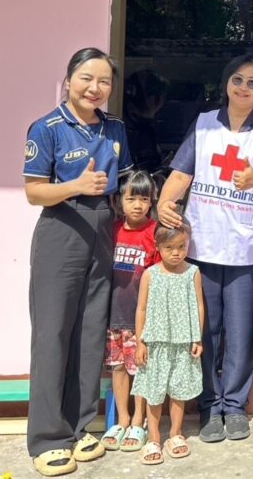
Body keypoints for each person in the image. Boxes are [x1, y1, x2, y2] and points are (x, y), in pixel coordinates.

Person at [157, 55, 253, 443]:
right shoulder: (204, 125)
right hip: (205, 244)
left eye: (252, 83)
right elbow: (182, 173)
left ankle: (235, 405)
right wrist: (164, 203)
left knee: (242, 330)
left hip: (247, 248)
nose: (243, 88)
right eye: (237, 80)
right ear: (226, 84)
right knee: (207, 330)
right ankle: (210, 406)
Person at [23, 47, 133, 477]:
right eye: (87, 78)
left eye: (104, 81)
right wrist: (75, 185)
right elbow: (33, 192)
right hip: (61, 229)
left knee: (90, 333)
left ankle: (82, 426)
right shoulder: (47, 127)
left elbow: (123, 182)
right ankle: (48, 438)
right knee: (53, 333)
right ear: (69, 79)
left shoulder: (115, 128)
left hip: (103, 229)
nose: (95, 88)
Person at [131, 221, 205, 465]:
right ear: (158, 246)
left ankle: (175, 434)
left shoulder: (192, 272)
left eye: (182, 246)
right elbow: (141, 309)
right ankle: (153, 438)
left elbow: (199, 305)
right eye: (170, 247)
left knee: (179, 391)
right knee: (154, 393)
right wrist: (140, 342)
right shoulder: (150, 275)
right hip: (155, 343)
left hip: (183, 343)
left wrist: (197, 337)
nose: (176, 252)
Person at [100, 171, 160, 453]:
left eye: (144, 199)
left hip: (142, 320)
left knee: (142, 370)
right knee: (119, 368)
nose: (137, 204)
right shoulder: (113, 230)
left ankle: (139, 420)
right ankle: (122, 419)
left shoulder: (155, 233)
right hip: (115, 316)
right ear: (119, 201)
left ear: (152, 202)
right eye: (131, 198)